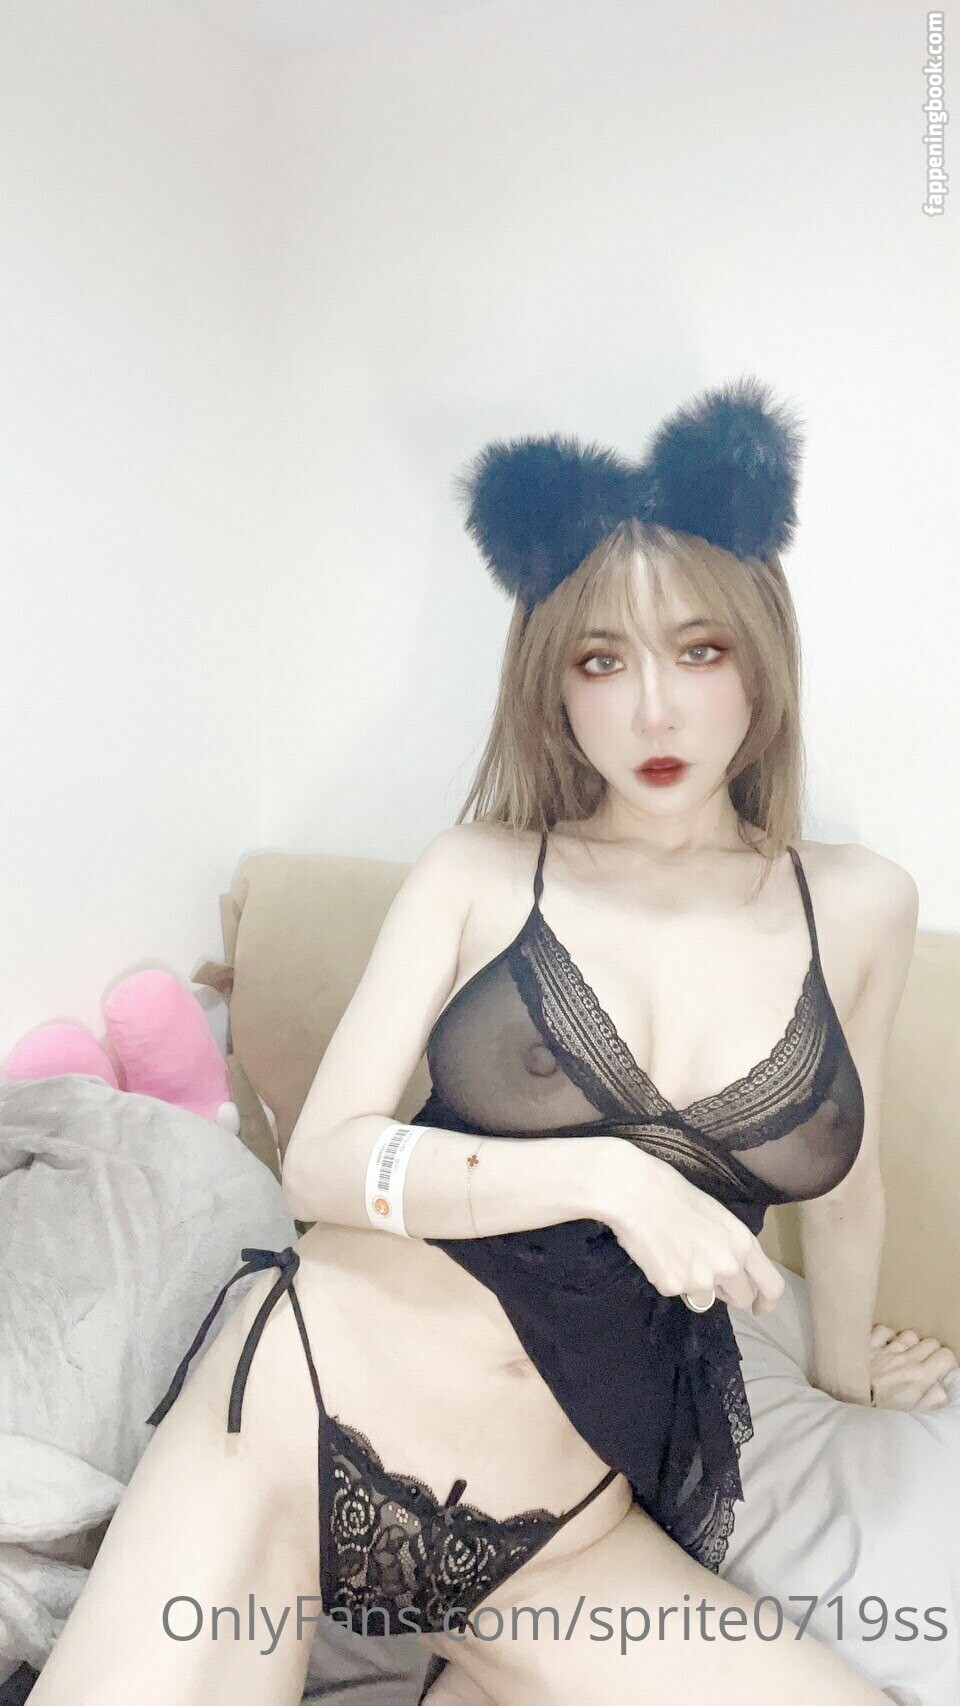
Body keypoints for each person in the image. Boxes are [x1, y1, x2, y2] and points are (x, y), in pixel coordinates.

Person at [28, 377, 955, 1706]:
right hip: (309, 1405)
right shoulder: (480, 871)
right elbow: (325, 1163)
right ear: (553, 682)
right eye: (602, 661)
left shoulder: (857, 904)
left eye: (698, 650)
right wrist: (609, 1176)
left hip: (555, 1528)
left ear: (761, 655)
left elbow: (846, 1188)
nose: (653, 711)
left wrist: (851, 1375)